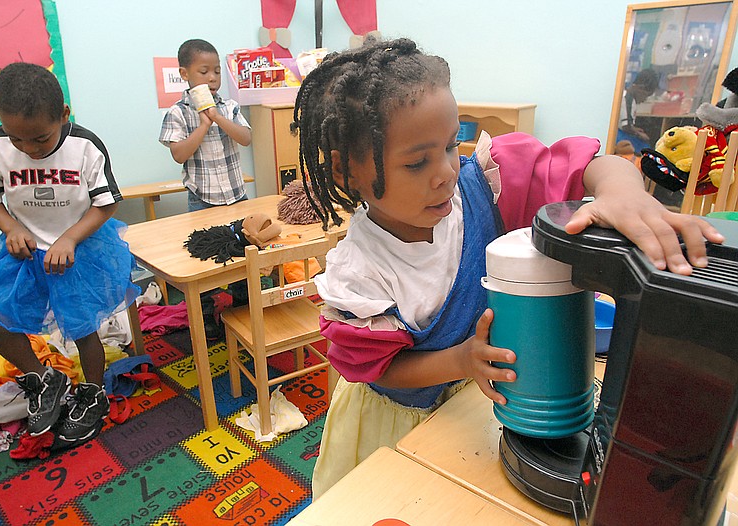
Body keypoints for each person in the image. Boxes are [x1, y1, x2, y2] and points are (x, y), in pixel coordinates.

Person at [292, 38, 723, 497]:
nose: (445, 172)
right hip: (393, 422)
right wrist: (459, 360)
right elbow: (379, 370)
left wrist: (624, 193)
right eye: (417, 162)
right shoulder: (359, 270)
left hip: (469, 402)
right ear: (345, 172)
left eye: (450, 145)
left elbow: (590, 167)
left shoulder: (486, 185)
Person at [0, 62, 140, 447]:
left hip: (80, 246)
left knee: (81, 327)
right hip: (24, 247)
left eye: (41, 140)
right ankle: (44, 379)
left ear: (63, 116)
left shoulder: (85, 146)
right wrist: (11, 227)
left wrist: (69, 239)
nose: (28, 149)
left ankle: (93, 393)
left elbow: (106, 204)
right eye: (18, 140)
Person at [159, 39, 252, 212]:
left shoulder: (229, 106)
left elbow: (246, 138)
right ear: (184, 74)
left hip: (237, 194)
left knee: (244, 238)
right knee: (207, 239)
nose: (212, 78)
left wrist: (217, 117)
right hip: (201, 200)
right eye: (204, 72)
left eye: (217, 72)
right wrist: (203, 126)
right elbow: (179, 155)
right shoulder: (178, 112)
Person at [618, 68, 659, 152]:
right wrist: (639, 134)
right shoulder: (628, 99)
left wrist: (635, 129)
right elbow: (626, 126)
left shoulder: (630, 99)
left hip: (622, 132)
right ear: (640, 88)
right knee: (645, 147)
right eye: (646, 95)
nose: (644, 99)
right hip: (619, 135)